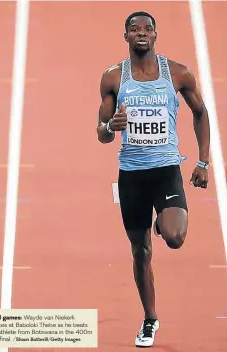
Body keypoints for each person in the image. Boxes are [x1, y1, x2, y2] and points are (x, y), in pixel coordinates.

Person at [97, 11, 210, 348]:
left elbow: (201, 113)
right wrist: (109, 128)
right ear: (126, 37)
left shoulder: (177, 73)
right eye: (134, 30)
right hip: (132, 176)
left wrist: (203, 162)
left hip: (165, 172)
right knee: (140, 251)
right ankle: (149, 319)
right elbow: (101, 133)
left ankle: (162, 222)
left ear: (156, 34)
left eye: (147, 29)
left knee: (174, 237)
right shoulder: (113, 78)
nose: (141, 34)